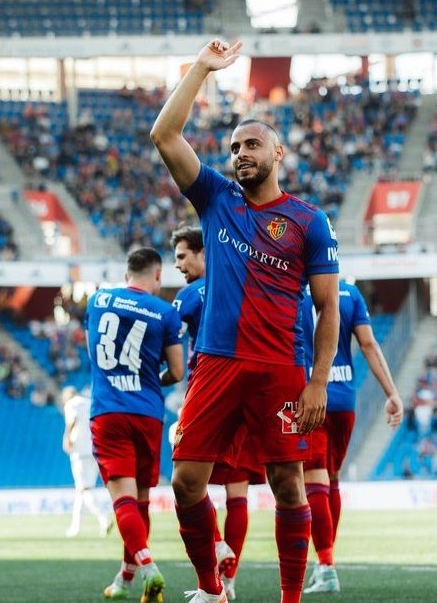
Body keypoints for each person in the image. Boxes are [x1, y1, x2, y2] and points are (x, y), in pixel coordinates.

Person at [151, 38, 341, 603]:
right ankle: (212, 589)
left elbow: (328, 307)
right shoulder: (216, 199)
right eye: (235, 146)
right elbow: (164, 135)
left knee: (287, 484)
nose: (241, 153)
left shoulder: (309, 221)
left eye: (252, 144)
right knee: (186, 482)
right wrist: (201, 70)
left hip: (280, 368)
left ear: (277, 153)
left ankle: (290, 598)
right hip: (215, 363)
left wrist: (318, 381)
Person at [86, 247, 184, 602]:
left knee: (123, 500)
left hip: (109, 409)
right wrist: (149, 379)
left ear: (126, 273)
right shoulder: (165, 312)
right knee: (141, 501)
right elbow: (177, 371)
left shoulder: (98, 300)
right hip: (147, 413)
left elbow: (95, 353)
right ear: (157, 275)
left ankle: (147, 567)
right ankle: (126, 578)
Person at [171, 224, 261, 600]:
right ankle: (229, 578)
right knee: (237, 490)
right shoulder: (246, 285)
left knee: (190, 482)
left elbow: (168, 340)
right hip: (248, 395)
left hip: (207, 397)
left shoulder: (190, 295)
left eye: (182, 256)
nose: (178, 265)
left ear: (204, 252)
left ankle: (216, 550)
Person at [300, 281, 404, 594]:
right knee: (331, 479)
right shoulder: (349, 293)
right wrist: (392, 393)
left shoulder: (292, 290)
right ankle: (325, 562)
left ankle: (326, 566)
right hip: (345, 399)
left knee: (313, 479)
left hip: (308, 395)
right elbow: (369, 344)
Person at [61, 386, 111, 538]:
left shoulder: (72, 404)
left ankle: (104, 519)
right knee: (81, 490)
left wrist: (66, 438)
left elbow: (72, 420)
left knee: (85, 489)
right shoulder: (89, 402)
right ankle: (75, 527)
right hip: (94, 449)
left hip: (79, 451)